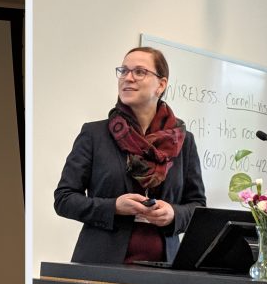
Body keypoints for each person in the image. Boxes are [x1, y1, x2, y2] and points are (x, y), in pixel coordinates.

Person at [54, 47, 206, 264]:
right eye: (124, 71)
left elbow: (197, 206)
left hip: (166, 268)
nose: (128, 78)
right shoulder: (95, 134)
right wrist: (113, 207)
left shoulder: (183, 140)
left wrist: (173, 214)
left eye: (139, 72)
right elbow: (64, 199)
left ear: (161, 85)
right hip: (101, 264)